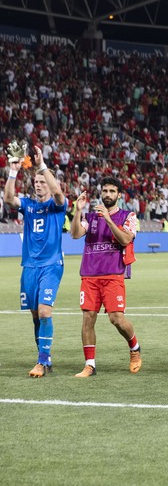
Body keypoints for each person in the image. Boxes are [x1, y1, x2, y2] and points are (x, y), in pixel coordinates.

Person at [4, 145, 66, 378]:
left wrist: (41, 165)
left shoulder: (57, 206)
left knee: (44, 311)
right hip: (29, 266)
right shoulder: (29, 206)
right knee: (34, 314)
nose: (39, 185)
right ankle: (45, 357)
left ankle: (41, 361)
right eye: (37, 182)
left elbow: (59, 193)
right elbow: (9, 198)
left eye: (43, 182)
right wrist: (13, 171)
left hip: (51, 265)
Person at [70, 177, 141, 377]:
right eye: (104, 191)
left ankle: (134, 347)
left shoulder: (129, 216)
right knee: (87, 319)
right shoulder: (91, 217)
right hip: (89, 276)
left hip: (113, 275)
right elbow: (75, 234)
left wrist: (108, 219)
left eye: (111, 191)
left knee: (116, 319)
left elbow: (126, 239)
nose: (107, 194)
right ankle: (90, 365)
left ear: (119, 195)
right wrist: (77, 211)